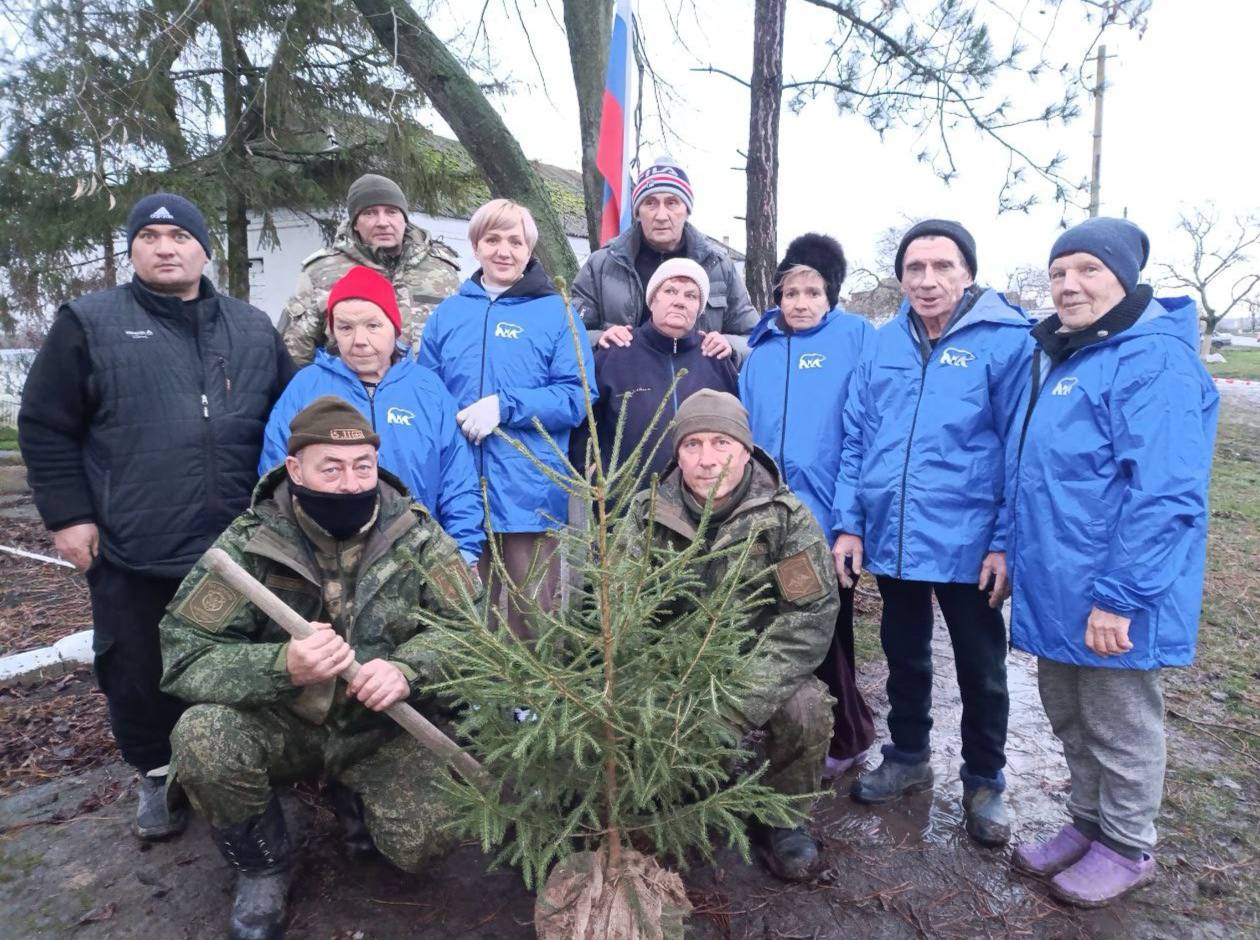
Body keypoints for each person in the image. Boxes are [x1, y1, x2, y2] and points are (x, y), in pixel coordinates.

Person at [17, 193, 294, 844]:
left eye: (178, 236)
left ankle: (237, 769)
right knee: (137, 669)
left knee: (234, 666)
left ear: (204, 248)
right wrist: (69, 516)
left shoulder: (252, 329)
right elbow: (46, 426)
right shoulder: (90, 323)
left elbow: (288, 423)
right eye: (149, 236)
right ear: (134, 249)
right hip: (131, 542)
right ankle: (159, 774)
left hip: (235, 549)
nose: (164, 247)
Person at [161, 396, 481, 940]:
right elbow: (183, 654)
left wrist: (407, 669)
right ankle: (263, 863)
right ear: (295, 469)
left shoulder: (418, 537)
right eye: (330, 469)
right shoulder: (249, 543)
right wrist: (280, 665)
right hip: (286, 724)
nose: (349, 483)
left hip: (382, 729)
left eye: (362, 467)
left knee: (424, 843)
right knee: (203, 738)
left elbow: (471, 637)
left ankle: (353, 794)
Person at [1006, 219, 1217, 906]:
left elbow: (1164, 490)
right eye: (1059, 272)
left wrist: (1120, 596)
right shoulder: (1072, 355)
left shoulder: (1151, 360)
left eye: (1087, 270)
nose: (1068, 285)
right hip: (1058, 584)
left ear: (1124, 277)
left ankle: (1127, 846)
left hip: (1110, 592)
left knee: (1119, 720)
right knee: (1068, 713)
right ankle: (1088, 824)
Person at [832, 219, 1031, 846]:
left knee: (981, 664)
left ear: (968, 271)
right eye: (914, 268)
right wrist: (850, 524)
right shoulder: (881, 344)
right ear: (900, 277)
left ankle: (985, 779)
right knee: (904, 653)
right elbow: (857, 437)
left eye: (942, 266)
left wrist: (1005, 539)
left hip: (971, 541)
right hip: (895, 533)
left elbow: (1019, 448)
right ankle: (910, 755)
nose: (927, 280)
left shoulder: (1007, 342)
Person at [622, 390, 837, 882]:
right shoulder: (644, 514)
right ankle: (683, 792)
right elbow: (623, 609)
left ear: (745, 449)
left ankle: (784, 818)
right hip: (672, 663)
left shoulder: (786, 520)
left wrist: (738, 700)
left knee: (807, 708)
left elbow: (807, 620)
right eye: (692, 444)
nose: (707, 459)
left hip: (757, 661)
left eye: (721, 442)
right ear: (677, 453)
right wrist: (658, 676)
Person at [419, 199, 594, 639]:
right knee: (461, 608)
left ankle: (532, 707)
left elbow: (578, 397)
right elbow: (426, 396)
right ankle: (463, 706)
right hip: (458, 494)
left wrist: (505, 406)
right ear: (475, 246)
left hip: (528, 494)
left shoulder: (556, 313)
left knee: (532, 611)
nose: (504, 250)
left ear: (529, 250)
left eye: (515, 241)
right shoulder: (448, 315)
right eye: (492, 239)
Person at [740, 233, 876, 779]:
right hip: (771, 517)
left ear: (831, 294)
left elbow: (860, 435)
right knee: (786, 625)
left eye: (811, 291)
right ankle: (807, 729)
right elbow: (747, 438)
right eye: (789, 291)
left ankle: (847, 734)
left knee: (825, 630)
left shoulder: (856, 340)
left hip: (823, 518)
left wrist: (848, 523)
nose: (799, 302)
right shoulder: (764, 351)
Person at [259, 265, 483, 561]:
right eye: (346, 327)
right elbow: (275, 475)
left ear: (394, 327)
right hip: (325, 559)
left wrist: (464, 552)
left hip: (417, 554)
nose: (359, 340)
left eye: (373, 325)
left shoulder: (428, 389)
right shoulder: (307, 387)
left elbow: (458, 480)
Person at [571, 155, 758, 362]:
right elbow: (567, 335)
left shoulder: (718, 266)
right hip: (623, 384)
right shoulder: (602, 265)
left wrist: (729, 345)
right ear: (638, 212)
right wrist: (599, 339)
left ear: (686, 210)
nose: (661, 215)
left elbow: (754, 338)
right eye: (650, 203)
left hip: (699, 386)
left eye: (671, 203)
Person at [578, 256, 738, 480]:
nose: (680, 301)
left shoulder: (715, 358)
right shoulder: (616, 352)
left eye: (691, 295)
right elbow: (582, 418)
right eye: (670, 291)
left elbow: (736, 429)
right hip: (624, 500)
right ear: (652, 300)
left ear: (700, 309)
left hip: (699, 503)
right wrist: (589, 468)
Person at [278, 173, 461, 365]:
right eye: (370, 213)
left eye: (392, 212)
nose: (382, 222)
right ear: (355, 223)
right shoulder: (321, 272)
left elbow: (462, 342)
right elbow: (295, 354)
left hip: (426, 391)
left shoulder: (441, 269)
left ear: (404, 218)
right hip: (350, 391)